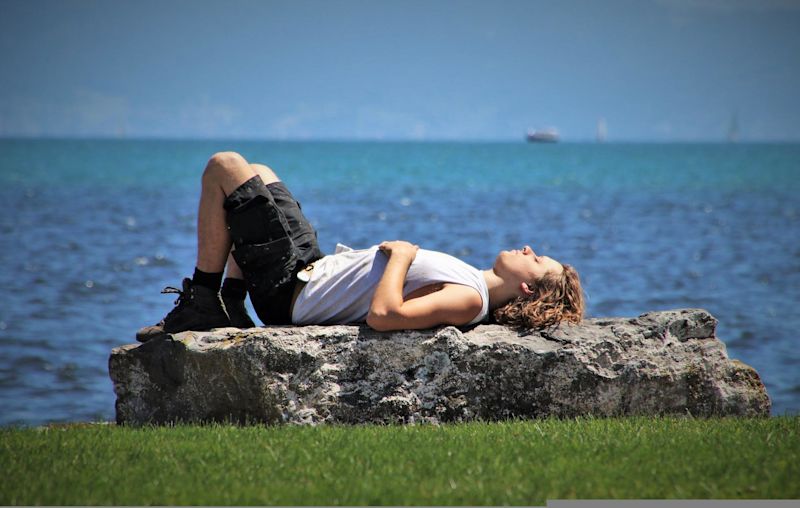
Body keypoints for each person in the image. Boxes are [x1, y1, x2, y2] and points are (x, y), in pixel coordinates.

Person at [136, 152, 584, 341]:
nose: (529, 248)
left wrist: (402, 258)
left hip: (291, 295)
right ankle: (230, 304)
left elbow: (385, 316)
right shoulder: (473, 283)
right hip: (312, 269)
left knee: (225, 167)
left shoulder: (471, 300)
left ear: (527, 290)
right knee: (259, 170)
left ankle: (203, 302)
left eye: (537, 259)